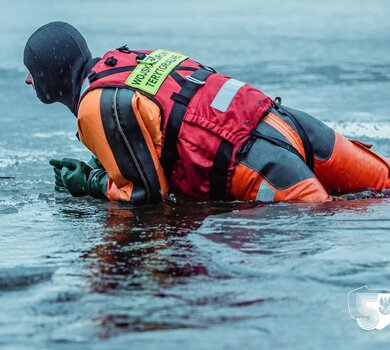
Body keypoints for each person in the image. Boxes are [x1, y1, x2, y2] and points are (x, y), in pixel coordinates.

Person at [23, 22, 390, 205]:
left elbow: (146, 195)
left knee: (319, 221)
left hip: (254, 163)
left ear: (48, 76)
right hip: (289, 124)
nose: (27, 80)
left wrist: (91, 184)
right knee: (384, 188)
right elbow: (164, 111)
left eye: (32, 71)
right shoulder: (127, 60)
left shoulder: (94, 107)